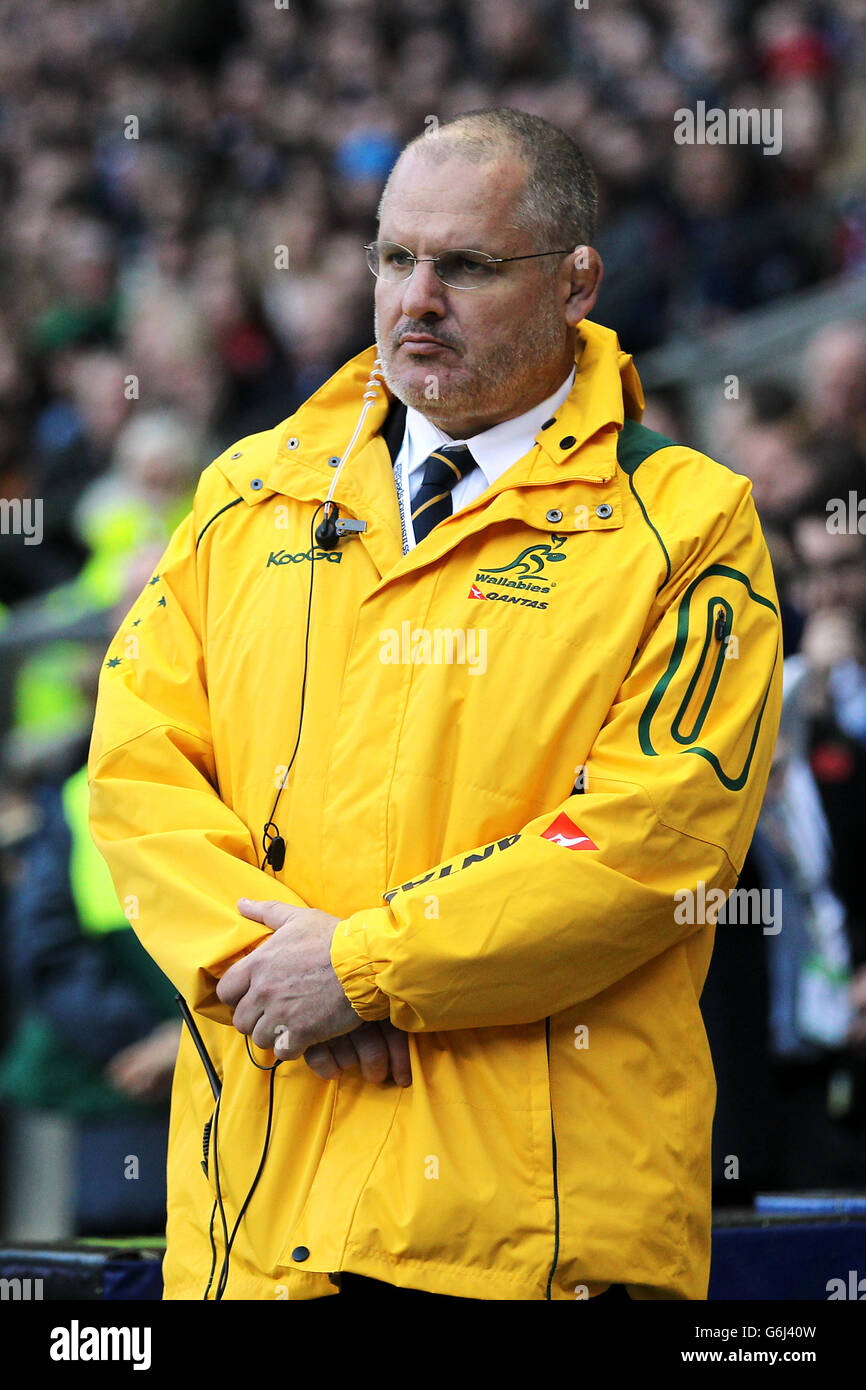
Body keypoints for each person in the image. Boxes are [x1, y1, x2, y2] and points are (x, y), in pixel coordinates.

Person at [88, 108, 783, 1301]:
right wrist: (268, 967)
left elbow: (642, 848)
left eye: (464, 266)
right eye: (393, 257)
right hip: (253, 1232)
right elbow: (139, 770)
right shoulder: (250, 490)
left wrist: (361, 970)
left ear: (577, 283)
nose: (416, 298)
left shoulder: (687, 523)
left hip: (526, 1245)